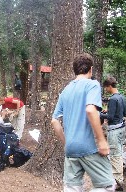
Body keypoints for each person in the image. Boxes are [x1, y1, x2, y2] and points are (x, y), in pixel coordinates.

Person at [51, 53, 115, 192]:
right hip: (89, 146)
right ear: (91, 69)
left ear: (75, 70)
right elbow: (91, 110)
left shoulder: (66, 90)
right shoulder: (92, 85)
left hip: (70, 149)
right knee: (107, 186)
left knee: (71, 188)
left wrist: (66, 143)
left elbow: (55, 121)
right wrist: (101, 141)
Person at [100, 76, 126, 190]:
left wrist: (99, 115)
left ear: (109, 86)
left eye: (106, 87)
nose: (106, 89)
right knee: (118, 153)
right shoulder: (121, 97)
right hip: (122, 129)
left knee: (115, 156)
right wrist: (109, 111)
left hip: (114, 131)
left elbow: (110, 117)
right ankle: (119, 181)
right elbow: (123, 112)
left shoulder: (113, 99)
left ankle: (118, 184)